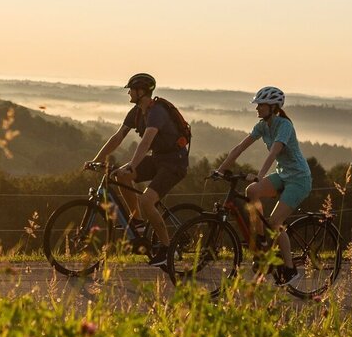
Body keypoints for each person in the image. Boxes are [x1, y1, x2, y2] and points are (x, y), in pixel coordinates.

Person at [87, 73, 190, 266]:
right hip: (158, 159)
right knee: (120, 176)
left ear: (141, 92)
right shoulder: (135, 113)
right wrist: (95, 160)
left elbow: (146, 141)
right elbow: (117, 138)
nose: (128, 93)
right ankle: (139, 224)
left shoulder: (156, 111)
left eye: (131, 90)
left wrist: (132, 165)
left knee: (146, 200)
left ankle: (167, 249)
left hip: (174, 162)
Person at [214, 86, 312, 286]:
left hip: (299, 179)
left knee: (276, 222)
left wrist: (260, 175)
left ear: (273, 107)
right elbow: (240, 147)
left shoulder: (284, 125)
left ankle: (290, 269)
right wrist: (221, 170)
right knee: (252, 191)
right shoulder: (262, 126)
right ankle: (261, 239)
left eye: (261, 105)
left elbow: (274, 152)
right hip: (284, 175)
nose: (257, 108)